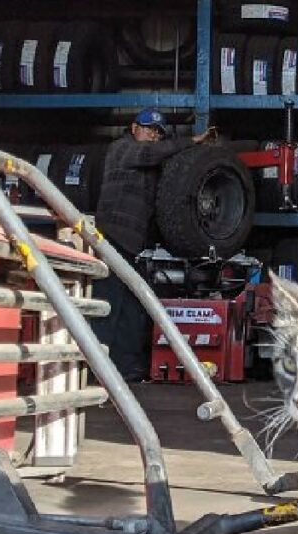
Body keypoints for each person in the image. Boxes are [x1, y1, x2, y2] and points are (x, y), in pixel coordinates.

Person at [92, 109, 212, 381]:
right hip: (110, 239)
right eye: (148, 128)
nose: (153, 135)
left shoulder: (153, 166)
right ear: (134, 127)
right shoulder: (122, 149)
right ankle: (96, 367)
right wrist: (190, 142)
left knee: (134, 308)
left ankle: (126, 368)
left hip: (134, 246)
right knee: (108, 306)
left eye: (158, 132)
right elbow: (148, 154)